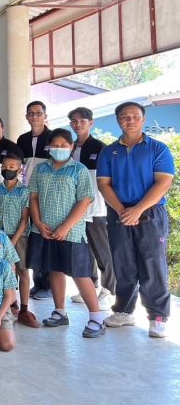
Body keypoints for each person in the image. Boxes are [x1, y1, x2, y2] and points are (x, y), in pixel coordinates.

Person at [97, 102, 175, 337]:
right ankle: (124, 310)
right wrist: (123, 210)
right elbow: (104, 184)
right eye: (124, 117)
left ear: (143, 119)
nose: (129, 120)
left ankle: (158, 315)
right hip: (119, 212)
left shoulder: (157, 149)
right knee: (123, 262)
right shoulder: (109, 151)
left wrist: (138, 209)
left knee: (152, 263)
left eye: (134, 116)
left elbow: (163, 182)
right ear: (118, 120)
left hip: (150, 212)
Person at [27, 128, 104, 338]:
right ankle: (60, 311)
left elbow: (85, 200)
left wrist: (65, 227)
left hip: (71, 232)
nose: (59, 149)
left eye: (64, 145)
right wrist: (38, 222)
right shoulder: (41, 169)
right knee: (55, 270)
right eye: (55, 145)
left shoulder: (79, 170)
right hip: (45, 230)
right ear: (49, 147)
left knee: (80, 274)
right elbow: (33, 196)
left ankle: (97, 318)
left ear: (72, 147)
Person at [68, 107, 115, 309]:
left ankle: (110, 289)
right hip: (76, 208)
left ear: (91, 123)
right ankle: (91, 285)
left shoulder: (101, 148)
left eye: (82, 121)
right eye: (74, 121)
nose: (78, 124)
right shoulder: (69, 148)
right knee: (84, 249)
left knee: (101, 249)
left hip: (96, 208)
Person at [0, 153, 38, 327]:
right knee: (4, 272)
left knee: (23, 271)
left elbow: (25, 218)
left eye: (12, 167)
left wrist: (14, 239)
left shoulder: (24, 191)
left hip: (21, 237)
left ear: (19, 169)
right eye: (4, 166)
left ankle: (24, 308)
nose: (7, 169)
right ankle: (9, 304)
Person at [17, 100, 53, 301]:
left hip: (44, 195)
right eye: (31, 113)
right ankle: (33, 282)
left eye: (38, 113)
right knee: (29, 239)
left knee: (42, 238)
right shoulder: (22, 139)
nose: (35, 116)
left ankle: (45, 284)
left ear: (45, 115)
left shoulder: (53, 138)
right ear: (26, 116)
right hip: (25, 193)